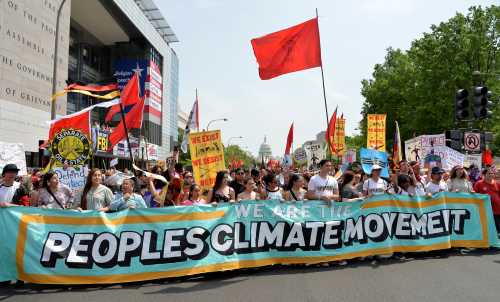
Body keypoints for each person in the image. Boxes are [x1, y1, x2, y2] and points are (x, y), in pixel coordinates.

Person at [473, 168, 500, 234]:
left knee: (498, 227)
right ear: (484, 175)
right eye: (489, 173)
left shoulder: (497, 184)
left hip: (497, 210)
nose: (491, 175)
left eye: (492, 173)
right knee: (488, 227)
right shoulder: (479, 183)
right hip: (485, 210)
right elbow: (474, 195)